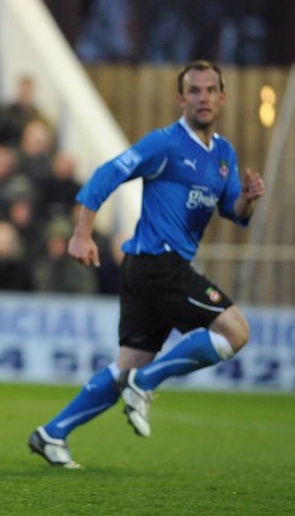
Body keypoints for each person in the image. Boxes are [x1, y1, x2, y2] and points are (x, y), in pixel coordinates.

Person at [27, 60, 265, 469]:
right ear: (181, 98)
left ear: (222, 98)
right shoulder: (165, 143)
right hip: (158, 263)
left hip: (146, 268)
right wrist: (82, 233)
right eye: (194, 90)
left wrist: (247, 198)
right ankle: (148, 382)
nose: (203, 97)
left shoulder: (223, 154)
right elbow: (107, 173)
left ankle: (52, 433)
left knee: (126, 365)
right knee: (236, 331)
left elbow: (232, 211)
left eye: (210, 90)